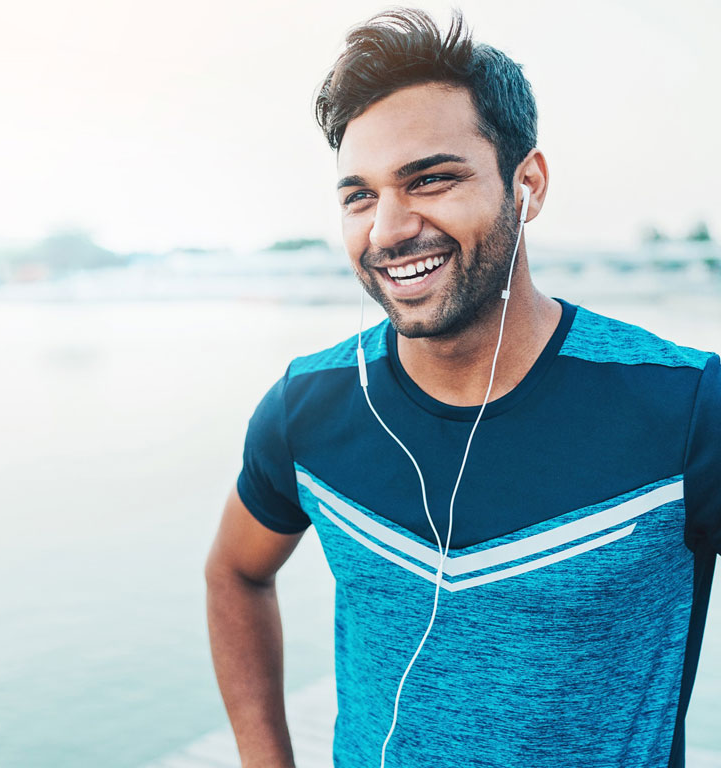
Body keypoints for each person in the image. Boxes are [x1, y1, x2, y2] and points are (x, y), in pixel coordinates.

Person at [205, 9, 720, 768]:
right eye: (359, 196)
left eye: (431, 180)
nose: (387, 228)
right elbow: (236, 573)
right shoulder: (308, 408)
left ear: (528, 185)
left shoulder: (685, 408)